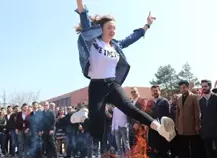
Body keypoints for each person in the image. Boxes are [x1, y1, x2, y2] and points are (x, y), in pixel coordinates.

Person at [70, 0, 175, 142]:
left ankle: (160, 128)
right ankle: (83, 118)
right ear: (101, 28)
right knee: (97, 130)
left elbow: (132, 38)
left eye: (114, 28)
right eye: (109, 28)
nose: (113, 31)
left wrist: (147, 25)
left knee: (130, 108)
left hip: (113, 84)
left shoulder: (116, 45)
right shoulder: (93, 42)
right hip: (96, 87)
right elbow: (83, 15)